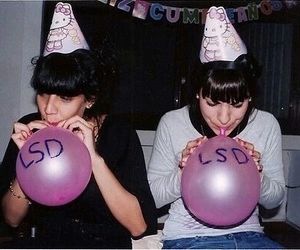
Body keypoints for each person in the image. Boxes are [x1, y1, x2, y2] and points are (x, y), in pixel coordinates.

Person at [0, 2, 157, 248]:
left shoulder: (118, 134)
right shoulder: (29, 129)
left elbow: (138, 226)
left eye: (65, 98)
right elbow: (11, 218)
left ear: (90, 100)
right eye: (43, 93)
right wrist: (26, 164)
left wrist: (94, 158)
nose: (49, 108)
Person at [147, 6, 285, 249]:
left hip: (251, 236)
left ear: (251, 97)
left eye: (237, 104)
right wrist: (183, 172)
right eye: (212, 103)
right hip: (187, 238)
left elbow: (274, 200)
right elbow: (152, 197)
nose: (224, 117)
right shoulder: (172, 122)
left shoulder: (266, 124)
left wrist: (257, 174)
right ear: (198, 94)